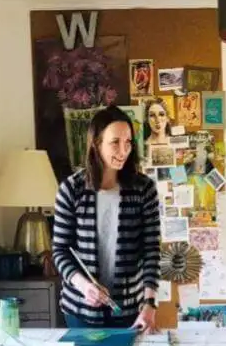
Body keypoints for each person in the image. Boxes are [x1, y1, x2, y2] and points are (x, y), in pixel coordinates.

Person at [52, 105, 161, 331]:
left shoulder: (143, 189)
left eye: (128, 142)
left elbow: (151, 249)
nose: (123, 150)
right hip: (80, 309)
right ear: (96, 143)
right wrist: (83, 286)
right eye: (115, 142)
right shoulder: (71, 190)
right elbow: (60, 251)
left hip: (130, 309)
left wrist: (150, 302)